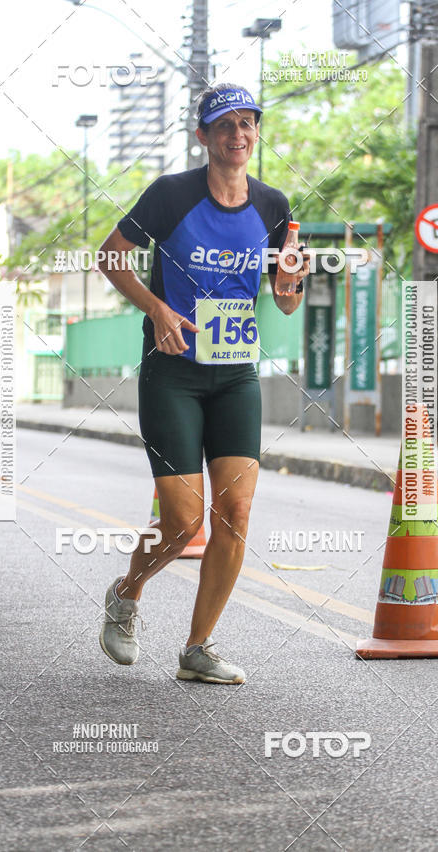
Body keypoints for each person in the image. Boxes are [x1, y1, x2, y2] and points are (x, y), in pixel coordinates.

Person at [97, 83, 310, 684]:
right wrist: (157, 310)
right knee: (185, 520)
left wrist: (292, 280)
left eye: (247, 124)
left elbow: (286, 304)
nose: (237, 135)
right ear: (204, 137)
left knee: (236, 511)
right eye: (224, 126)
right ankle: (127, 591)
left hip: (236, 375)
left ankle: (198, 648)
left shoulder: (273, 205)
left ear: (255, 133)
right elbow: (110, 255)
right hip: (173, 375)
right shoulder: (172, 195)